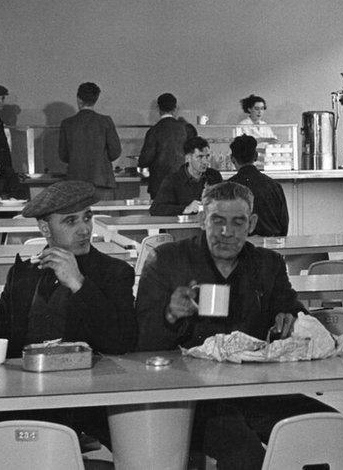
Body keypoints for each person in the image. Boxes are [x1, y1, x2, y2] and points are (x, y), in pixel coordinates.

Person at [136, 181, 332, 469]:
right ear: (202, 219)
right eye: (217, 221)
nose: (226, 233)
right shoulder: (168, 260)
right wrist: (170, 314)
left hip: (256, 392)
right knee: (246, 455)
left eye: (237, 223)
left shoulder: (268, 264)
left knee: (328, 429)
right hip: (194, 400)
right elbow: (139, 341)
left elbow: (292, 308)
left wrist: (290, 317)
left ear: (251, 224)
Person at [0, 180, 136, 468]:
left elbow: (121, 342)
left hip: (85, 407)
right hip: (20, 400)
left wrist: (79, 284)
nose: (84, 229)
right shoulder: (23, 274)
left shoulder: (114, 274)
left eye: (87, 217)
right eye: (70, 221)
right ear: (44, 229)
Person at [58, 82, 122, 200]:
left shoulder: (67, 123)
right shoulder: (105, 121)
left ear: (78, 99)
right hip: (102, 180)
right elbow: (115, 151)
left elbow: (63, 155)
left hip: (75, 181)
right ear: (96, 99)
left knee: (78, 216)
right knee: (103, 217)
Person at [138, 92, 198, 198]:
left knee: (160, 213)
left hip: (159, 184)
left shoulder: (154, 131)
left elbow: (144, 159)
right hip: (182, 181)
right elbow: (195, 149)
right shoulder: (184, 128)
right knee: (181, 212)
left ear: (158, 108)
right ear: (175, 108)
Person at [227, 134, 289, 236]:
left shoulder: (227, 188)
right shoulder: (274, 186)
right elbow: (284, 225)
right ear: (256, 156)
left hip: (240, 248)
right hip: (272, 247)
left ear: (232, 159)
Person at [150, 136, 223, 216]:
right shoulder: (173, 180)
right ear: (188, 158)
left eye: (207, 156)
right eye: (200, 157)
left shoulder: (214, 176)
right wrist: (186, 209)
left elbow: (226, 202)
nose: (205, 162)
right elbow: (156, 209)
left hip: (209, 225)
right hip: (182, 226)